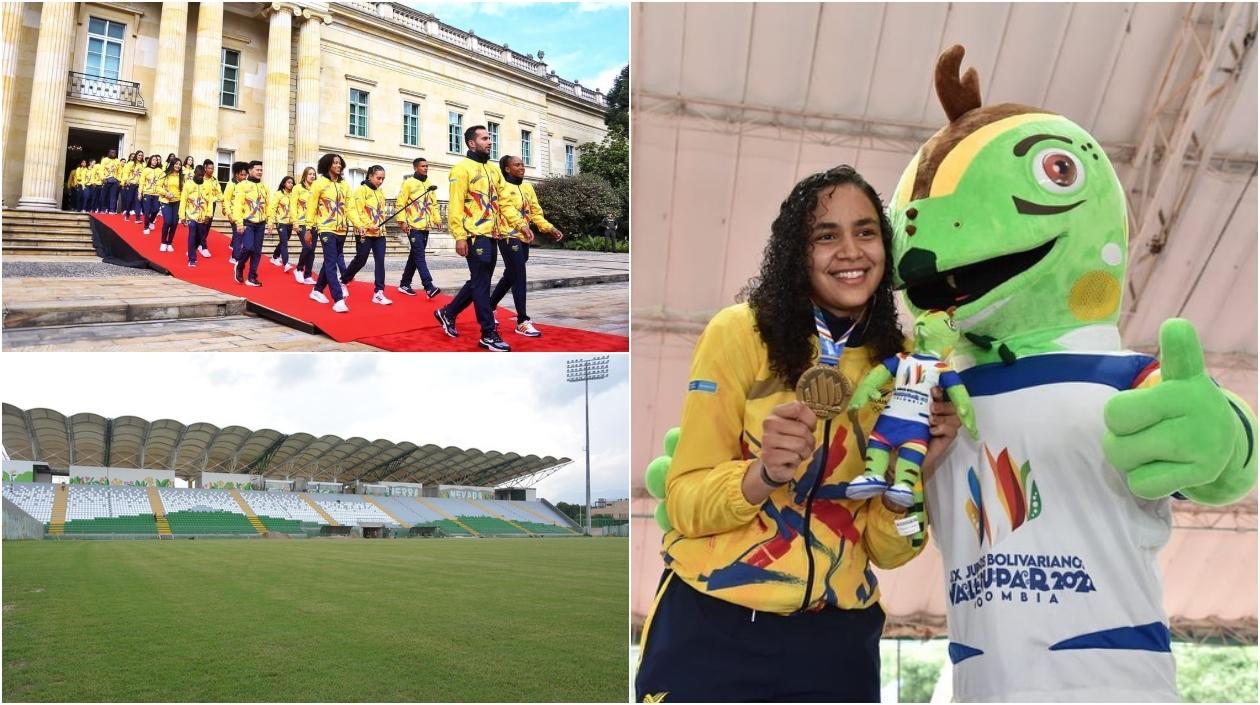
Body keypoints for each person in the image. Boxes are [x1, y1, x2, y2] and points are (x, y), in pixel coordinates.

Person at [634, 166, 962, 702]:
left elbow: (889, 552)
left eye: (866, 231)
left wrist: (921, 472)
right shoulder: (740, 333)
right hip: (714, 626)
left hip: (836, 645)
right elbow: (685, 497)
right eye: (826, 236)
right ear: (795, 250)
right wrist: (760, 475)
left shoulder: (905, 366)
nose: (851, 251)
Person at [434, 125, 529, 352]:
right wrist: (459, 236)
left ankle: (447, 312)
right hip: (475, 235)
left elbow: (504, 202)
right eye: (485, 138)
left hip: (493, 234)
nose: (490, 142)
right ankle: (488, 333)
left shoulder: (494, 171)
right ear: (471, 143)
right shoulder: (461, 169)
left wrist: (520, 224)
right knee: (481, 284)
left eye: (490, 138)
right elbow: (455, 205)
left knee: (479, 281)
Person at [488, 154, 564, 337]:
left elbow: (535, 212)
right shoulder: (501, 186)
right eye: (517, 165)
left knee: (511, 274)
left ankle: (489, 306)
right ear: (507, 169)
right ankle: (522, 320)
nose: (522, 167)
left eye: (522, 164)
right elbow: (506, 211)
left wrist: (549, 227)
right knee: (519, 274)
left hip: (524, 237)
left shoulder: (528, 187)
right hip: (507, 235)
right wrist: (520, 225)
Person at [306, 153, 363, 312]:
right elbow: (311, 207)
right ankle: (338, 299)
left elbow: (350, 208)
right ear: (327, 165)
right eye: (335, 163)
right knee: (332, 263)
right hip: (326, 228)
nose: (338, 166)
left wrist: (357, 224)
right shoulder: (318, 184)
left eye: (340, 163)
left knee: (329, 261)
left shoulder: (344, 185)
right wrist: (309, 228)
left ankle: (317, 290)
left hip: (342, 230)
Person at [341, 165, 392, 305]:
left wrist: (379, 226)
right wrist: (369, 225)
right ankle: (343, 280)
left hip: (380, 233)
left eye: (383, 178)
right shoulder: (360, 191)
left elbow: (380, 212)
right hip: (364, 231)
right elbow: (359, 211)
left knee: (380, 261)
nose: (381, 181)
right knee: (361, 260)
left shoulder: (380, 192)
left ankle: (379, 292)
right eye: (378, 178)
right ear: (370, 176)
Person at [394, 157, 441, 299]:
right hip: (413, 226)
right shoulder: (408, 183)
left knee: (415, 256)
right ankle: (429, 286)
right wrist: (402, 221)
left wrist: (437, 219)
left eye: (427, 166)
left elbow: (433, 205)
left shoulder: (430, 184)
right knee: (419, 255)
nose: (426, 168)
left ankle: (404, 283)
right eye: (423, 166)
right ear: (415, 168)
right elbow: (400, 203)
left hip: (425, 227)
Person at [231, 160, 269, 287]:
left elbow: (268, 205)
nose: (260, 172)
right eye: (257, 170)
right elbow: (237, 205)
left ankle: (252, 277)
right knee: (248, 247)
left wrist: (270, 221)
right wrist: (239, 223)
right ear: (250, 170)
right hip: (248, 222)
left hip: (261, 223)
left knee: (257, 252)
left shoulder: (264, 187)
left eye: (261, 170)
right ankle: (240, 266)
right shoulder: (242, 185)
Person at [180, 164, 214, 267]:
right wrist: (182, 216)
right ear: (194, 173)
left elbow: (210, 201)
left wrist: (209, 215)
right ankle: (192, 259)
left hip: (203, 217)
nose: (200, 177)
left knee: (200, 237)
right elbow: (183, 201)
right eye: (198, 175)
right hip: (191, 215)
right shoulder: (188, 184)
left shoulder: (208, 185)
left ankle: (193, 250)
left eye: (202, 175)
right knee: (192, 234)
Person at [291, 166, 318, 285]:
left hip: (314, 224)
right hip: (301, 223)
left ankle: (308, 275)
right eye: (310, 174)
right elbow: (292, 206)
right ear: (305, 175)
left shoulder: (316, 188)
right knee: (307, 247)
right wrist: (295, 222)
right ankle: (298, 269)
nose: (312, 176)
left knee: (311, 250)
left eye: (314, 174)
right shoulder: (297, 188)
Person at [268, 175, 296, 272]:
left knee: (284, 241)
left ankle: (275, 257)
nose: (291, 184)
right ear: (284, 183)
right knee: (284, 242)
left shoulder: (294, 195)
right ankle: (286, 263)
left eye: (292, 183)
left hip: (290, 223)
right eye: (288, 182)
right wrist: (270, 222)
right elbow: (272, 208)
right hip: (281, 222)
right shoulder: (278, 194)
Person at [156, 160, 183, 252]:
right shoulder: (165, 174)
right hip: (166, 201)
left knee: (174, 223)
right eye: (176, 164)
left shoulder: (182, 177)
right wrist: (166, 193)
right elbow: (157, 187)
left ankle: (169, 243)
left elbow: (184, 190)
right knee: (167, 222)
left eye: (180, 165)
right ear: (172, 164)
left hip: (177, 202)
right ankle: (163, 242)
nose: (178, 166)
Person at [223, 161, 247, 265]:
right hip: (234, 214)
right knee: (238, 235)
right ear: (236, 174)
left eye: (245, 175)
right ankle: (235, 258)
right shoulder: (231, 184)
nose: (244, 177)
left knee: (241, 236)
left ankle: (235, 254)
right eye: (242, 174)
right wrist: (229, 214)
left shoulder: (246, 184)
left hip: (244, 215)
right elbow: (226, 200)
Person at [196, 159, 221, 258]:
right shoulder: (200, 179)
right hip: (201, 205)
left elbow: (219, 193)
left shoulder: (215, 180)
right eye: (209, 168)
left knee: (207, 226)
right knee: (201, 226)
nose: (211, 170)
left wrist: (214, 199)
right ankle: (204, 246)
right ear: (205, 168)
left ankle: (200, 244)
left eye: (213, 168)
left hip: (212, 205)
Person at [139, 154, 164, 234]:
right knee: (147, 211)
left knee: (156, 209)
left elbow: (163, 182)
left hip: (157, 193)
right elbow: (142, 182)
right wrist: (140, 192)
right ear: (150, 161)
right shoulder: (145, 170)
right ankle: (146, 227)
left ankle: (151, 221)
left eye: (156, 160)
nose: (155, 161)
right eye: (153, 160)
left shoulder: (160, 171)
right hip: (147, 193)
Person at [120, 151, 144, 222]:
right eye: (139, 155)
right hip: (131, 184)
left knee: (138, 201)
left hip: (139, 185)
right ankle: (127, 214)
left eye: (141, 155)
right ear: (136, 155)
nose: (140, 157)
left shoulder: (143, 165)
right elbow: (125, 173)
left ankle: (138, 218)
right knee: (129, 200)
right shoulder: (130, 163)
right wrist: (126, 181)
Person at [100, 148, 121, 214]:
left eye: (114, 152)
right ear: (109, 153)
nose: (113, 154)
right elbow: (101, 170)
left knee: (113, 196)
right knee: (104, 195)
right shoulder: (105, 160)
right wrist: (103, 178)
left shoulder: (117, 161)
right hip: (106, 180)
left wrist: (119, 180)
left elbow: (120, 171)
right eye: (112, 152)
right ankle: (103, 209)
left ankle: (112, 210)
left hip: (115, 180)